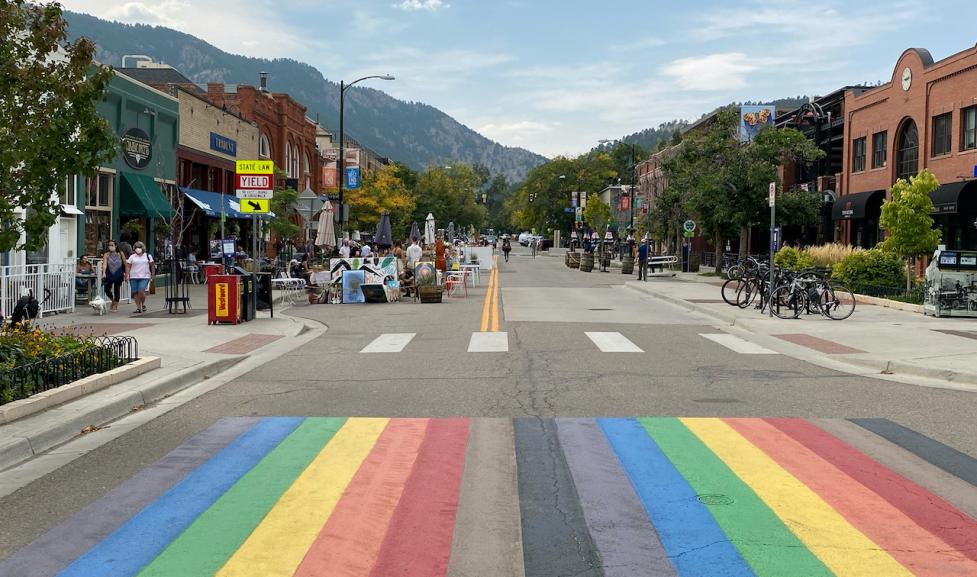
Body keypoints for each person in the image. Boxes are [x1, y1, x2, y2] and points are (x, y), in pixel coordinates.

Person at [126, 241, 155, 313]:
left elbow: (152, 265)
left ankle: (142, 304)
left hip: (145, 276)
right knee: (135, 292)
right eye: (136, 247)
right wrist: (127, 275)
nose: (137, 249)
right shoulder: (132, 257)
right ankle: (139, 307)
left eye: (139, 247)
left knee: (141, 290)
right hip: (133, 276)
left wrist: (153, 275)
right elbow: (128, 266)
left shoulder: (148, 256)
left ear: (142, 248)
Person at [102, 240, 125, 312]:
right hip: (109, 273)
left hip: (119, 273)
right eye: (109, 245)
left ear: (116, 246)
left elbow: (125, 263)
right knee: (107, 288)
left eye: (112, 245)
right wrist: (104, 272)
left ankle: (115, 305)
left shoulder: (120, 253)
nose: (110, 247)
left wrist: (126, 273)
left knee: (116, 289)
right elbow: (105, 264)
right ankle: (112, 300)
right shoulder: (106, 254)